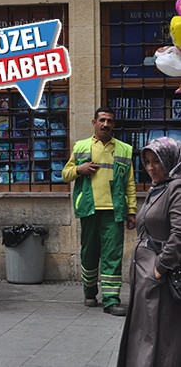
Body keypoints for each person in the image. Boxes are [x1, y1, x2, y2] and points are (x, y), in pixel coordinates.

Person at [62, 107, 136, 316]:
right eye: (102, 120)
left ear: (113, 124)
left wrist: (131, 211)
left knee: (113, 255)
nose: (106, 124)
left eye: (110, 121)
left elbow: (130, 183)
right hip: (89, 208)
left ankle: (111, 300)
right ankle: (90, 292)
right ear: (94, 123)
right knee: (89, 253)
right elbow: (65, 175)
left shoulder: (124, 149)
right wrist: (79, 169)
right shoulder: (81, 147)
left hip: (114, 211)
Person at [117, 136, 181, 367]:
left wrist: (159, 268)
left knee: (158, 336)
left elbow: (179, 235)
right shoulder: (158, 188)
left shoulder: (176, 188)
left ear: (170, 160)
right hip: (144, 277)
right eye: (147, 161)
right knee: (144, 333)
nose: (151, 168)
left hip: (159, 278)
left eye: (157, 161)